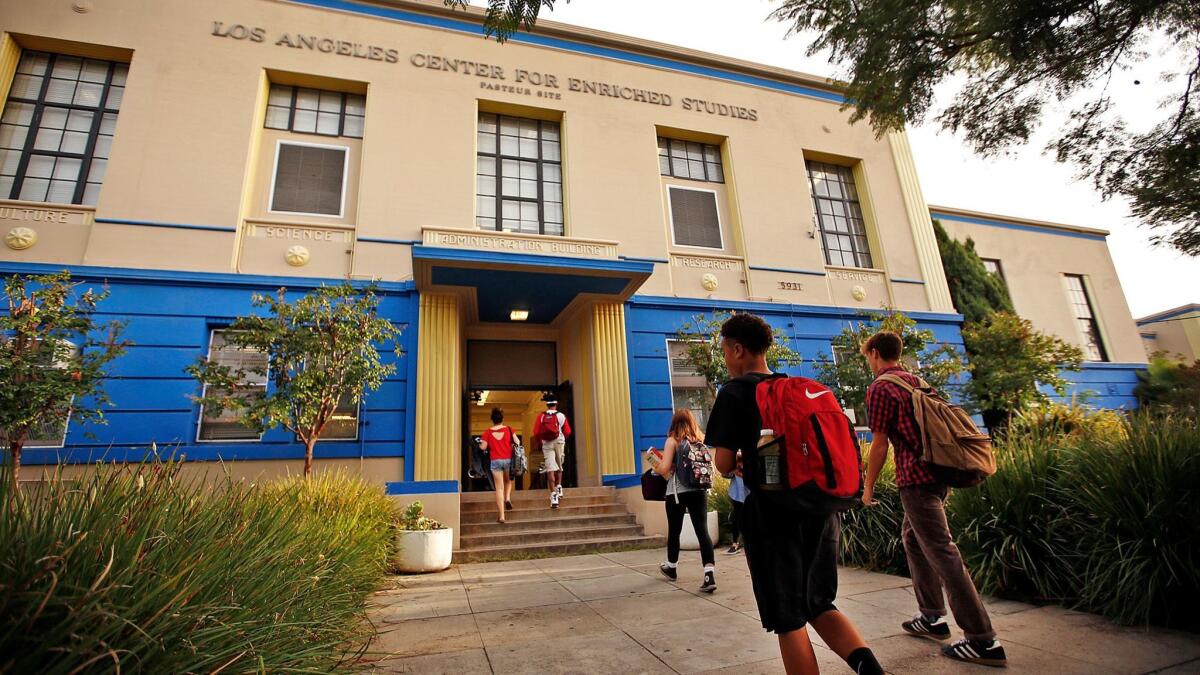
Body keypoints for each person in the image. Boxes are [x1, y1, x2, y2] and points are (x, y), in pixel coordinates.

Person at [707, 313, 883, 675]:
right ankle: (873, 671)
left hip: (772, 515)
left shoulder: (735, 392)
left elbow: (723, 464)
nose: (725, 358)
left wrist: (740, 460)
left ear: (738, 349)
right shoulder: (800, 386)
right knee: (820, 603)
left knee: (789, 618)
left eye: (725, 350)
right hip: (820, 507)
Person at [862, 330, 1006, 668]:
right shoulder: (915, 380)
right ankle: (931, 617)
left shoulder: (881, 387)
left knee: (942, 551)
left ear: (874, 353)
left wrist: (867, 487)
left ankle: (982, 639)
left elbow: (880, 443)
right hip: (940, 473)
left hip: (916, 479)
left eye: (867, 355)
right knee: (913, 540)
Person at [650, 408, 717, 593]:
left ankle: (671, 566)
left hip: (677, 493)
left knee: (675, 530)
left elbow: (664, 469)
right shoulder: (700, 439)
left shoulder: (673, 441)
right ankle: (709, 574)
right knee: (702, 531)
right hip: (699, 490)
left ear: (674, 423)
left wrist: (655, 463)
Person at [478, 406, 515, 524]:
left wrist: (479, 443)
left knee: (499, 488)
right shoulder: (509, 429)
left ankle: (502, 516)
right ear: (502, 418)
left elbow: (483, 447)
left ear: (492, 419)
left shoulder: (488, 432)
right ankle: (508, 498)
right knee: (508, 481)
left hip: (495, 461)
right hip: (508, 460)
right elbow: (518, 442)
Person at [533, 397, 571, 509]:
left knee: (550, 468)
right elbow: (567, 431)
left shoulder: (541, 416)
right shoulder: (561, 416)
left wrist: (541, 442)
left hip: (547, 444)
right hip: (559, 441)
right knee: (559, 465)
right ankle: (559, 487)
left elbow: (536, 432)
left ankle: (553, 496)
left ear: (547, 405)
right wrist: (562, 438)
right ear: (556, 404)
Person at [724, 471, 747, 555]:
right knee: (736, 515)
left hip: (751, 486)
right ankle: (735, 543)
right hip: (738, 488)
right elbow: (726, 471)